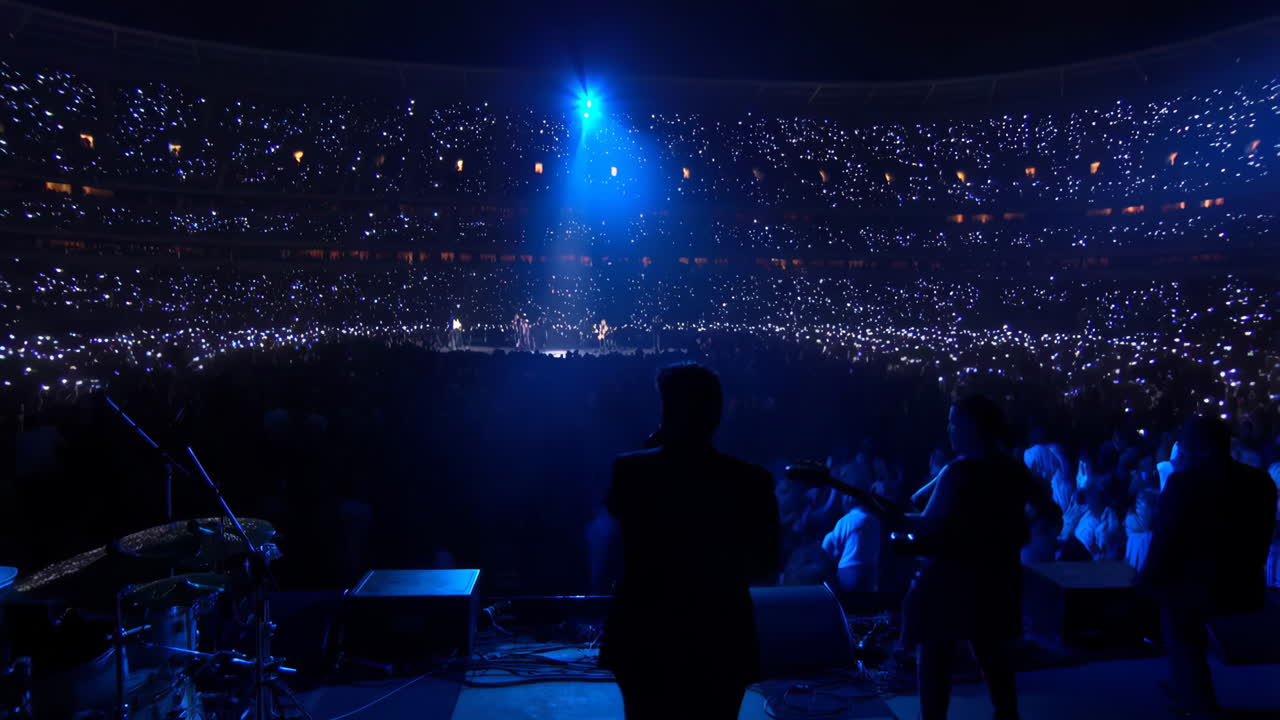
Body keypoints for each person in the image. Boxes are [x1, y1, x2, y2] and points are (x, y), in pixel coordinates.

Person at [599, 363, 780, 720]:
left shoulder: (630, 471)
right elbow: (766, 565)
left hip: (646, 633)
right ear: (717, 413)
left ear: (666, 412)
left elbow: (619, 521)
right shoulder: (752, 480)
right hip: (721, 636)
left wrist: (654, 444)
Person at [902, 395, 1061, 720]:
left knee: (936, 654)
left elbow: (925, 522)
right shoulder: (1011, 469)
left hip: (952, 579)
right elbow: (1049, 510)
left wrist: (886, 515)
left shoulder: (959, 472)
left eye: (954, 422)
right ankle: (1007, 715)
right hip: (998, 578)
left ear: (973, 426)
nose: (949, 429)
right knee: (994, 655)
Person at [1139, 416, 1277, 717]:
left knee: (1176, 620)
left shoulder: (1183, 483)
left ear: (1192, 447)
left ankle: (1195, 700)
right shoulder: (1261, 481)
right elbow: (1264, 535)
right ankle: (1186, 687)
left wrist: (1145, 581)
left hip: (1196, 589)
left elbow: (1165, 541)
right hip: (1246, 583)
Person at [822, 492, 881, 592]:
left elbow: (834, 547)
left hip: (848, 570)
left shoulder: (845, 520)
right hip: (870, 572)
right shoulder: (875, 521)